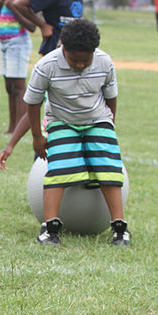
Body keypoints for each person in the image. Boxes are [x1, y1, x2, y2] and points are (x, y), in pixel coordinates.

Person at [14, 19, 129, 246]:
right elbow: (33, 103)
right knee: (59, 169)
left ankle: (119, 227)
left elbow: (111, 97)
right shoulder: (46, 66)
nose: (79, 65)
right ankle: (50, 227)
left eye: (85, 61)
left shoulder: (104, 62)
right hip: (62, 121)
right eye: (74, 59)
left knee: (109, 167)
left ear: (94, 52)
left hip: (97, 119)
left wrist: (109, 125)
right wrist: (38, 137)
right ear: (62, 48)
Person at [0, 0, 85, 165]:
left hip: (75, 61)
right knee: (41, 102)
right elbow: (19, 4)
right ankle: (39, 153)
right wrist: (42, 24)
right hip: (53, 56)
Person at [0, 0, 39, 134]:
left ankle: (20, 128)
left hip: (18, 44)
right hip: (5, 45)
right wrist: (1, 4)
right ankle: (12, 126)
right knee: (9, 87)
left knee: (19, 88)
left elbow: (32, 26)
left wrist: (13, 8)